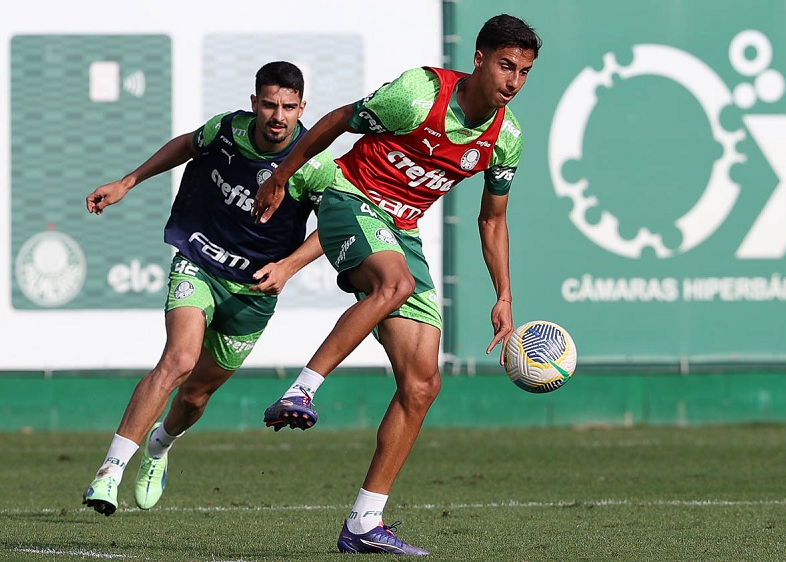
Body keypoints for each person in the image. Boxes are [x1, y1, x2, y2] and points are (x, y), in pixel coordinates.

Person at [252, 14, 542, 556]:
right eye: (506, 66)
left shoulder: (507, 137)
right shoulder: (419, 94)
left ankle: (364, 522)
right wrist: (283, 175)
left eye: (524, 72)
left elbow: (493, 220)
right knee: (397, 284)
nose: (513, 81)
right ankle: (301, 390)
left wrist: (503, 294)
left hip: (400, 228)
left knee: (423, 382)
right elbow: (339, 119)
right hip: (347, 196)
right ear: (478, 59)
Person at [81, 61, 335, 516]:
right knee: (178, 359)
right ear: (255, 103)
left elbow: (334, 225)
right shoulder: (227, 130)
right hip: (199, 261)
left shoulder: (313, 162)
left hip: (254, 292)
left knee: (195, 395)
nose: (279, 116)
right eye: (271, 105)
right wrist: (127, 182)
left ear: (302, 108)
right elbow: (185, 145)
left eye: (290, 107)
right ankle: (109, 473)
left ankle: (159, 446)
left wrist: (289, 267)